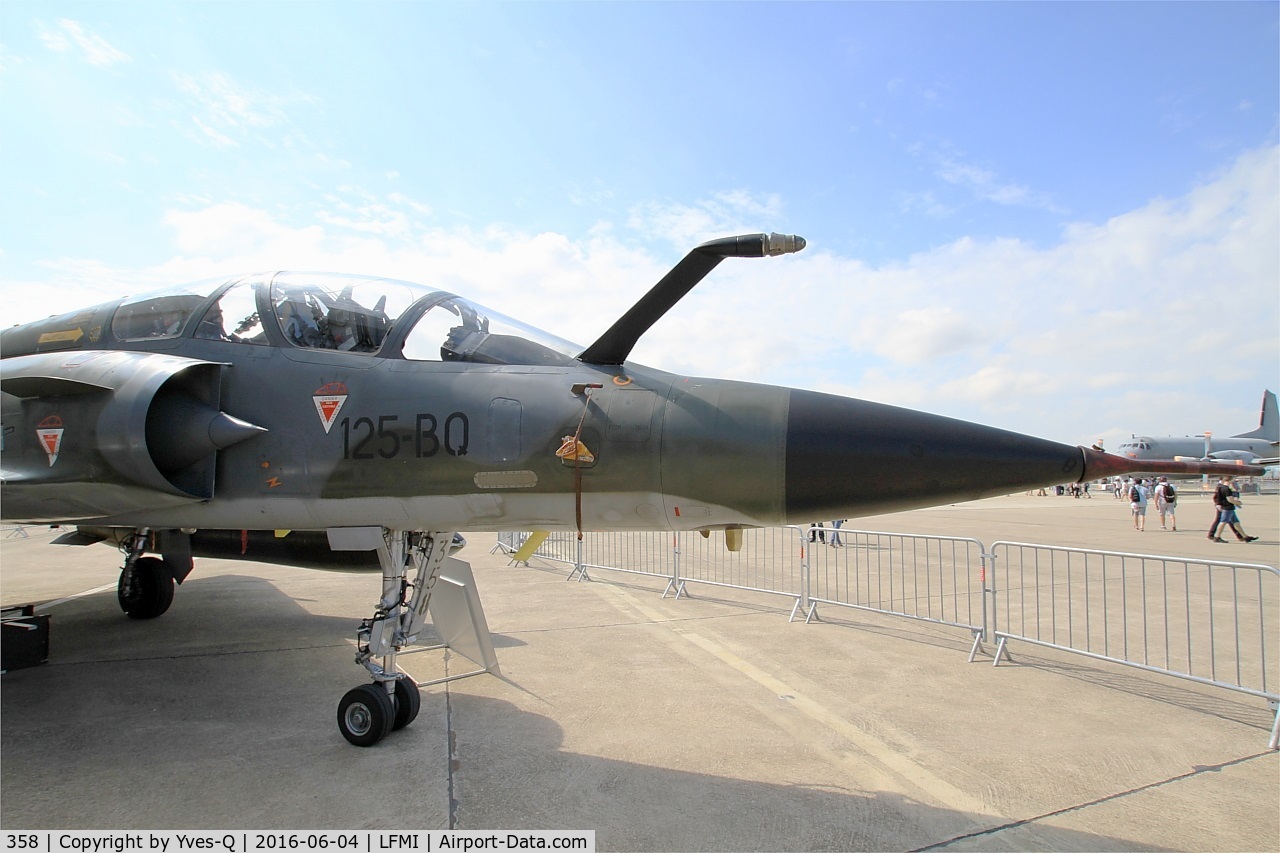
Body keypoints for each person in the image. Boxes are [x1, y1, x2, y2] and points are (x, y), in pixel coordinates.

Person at [1209, 475, 1258, 543]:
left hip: (1228, 508)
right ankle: (1217, 537)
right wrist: (1238, 503)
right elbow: (1230, 499)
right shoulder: (1226, 489)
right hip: (1227, 508)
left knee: (1236, 523)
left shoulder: (1221, 487)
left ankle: (1245, 536)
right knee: (1223, 522)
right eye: (1233, 480)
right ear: (1230, 480)